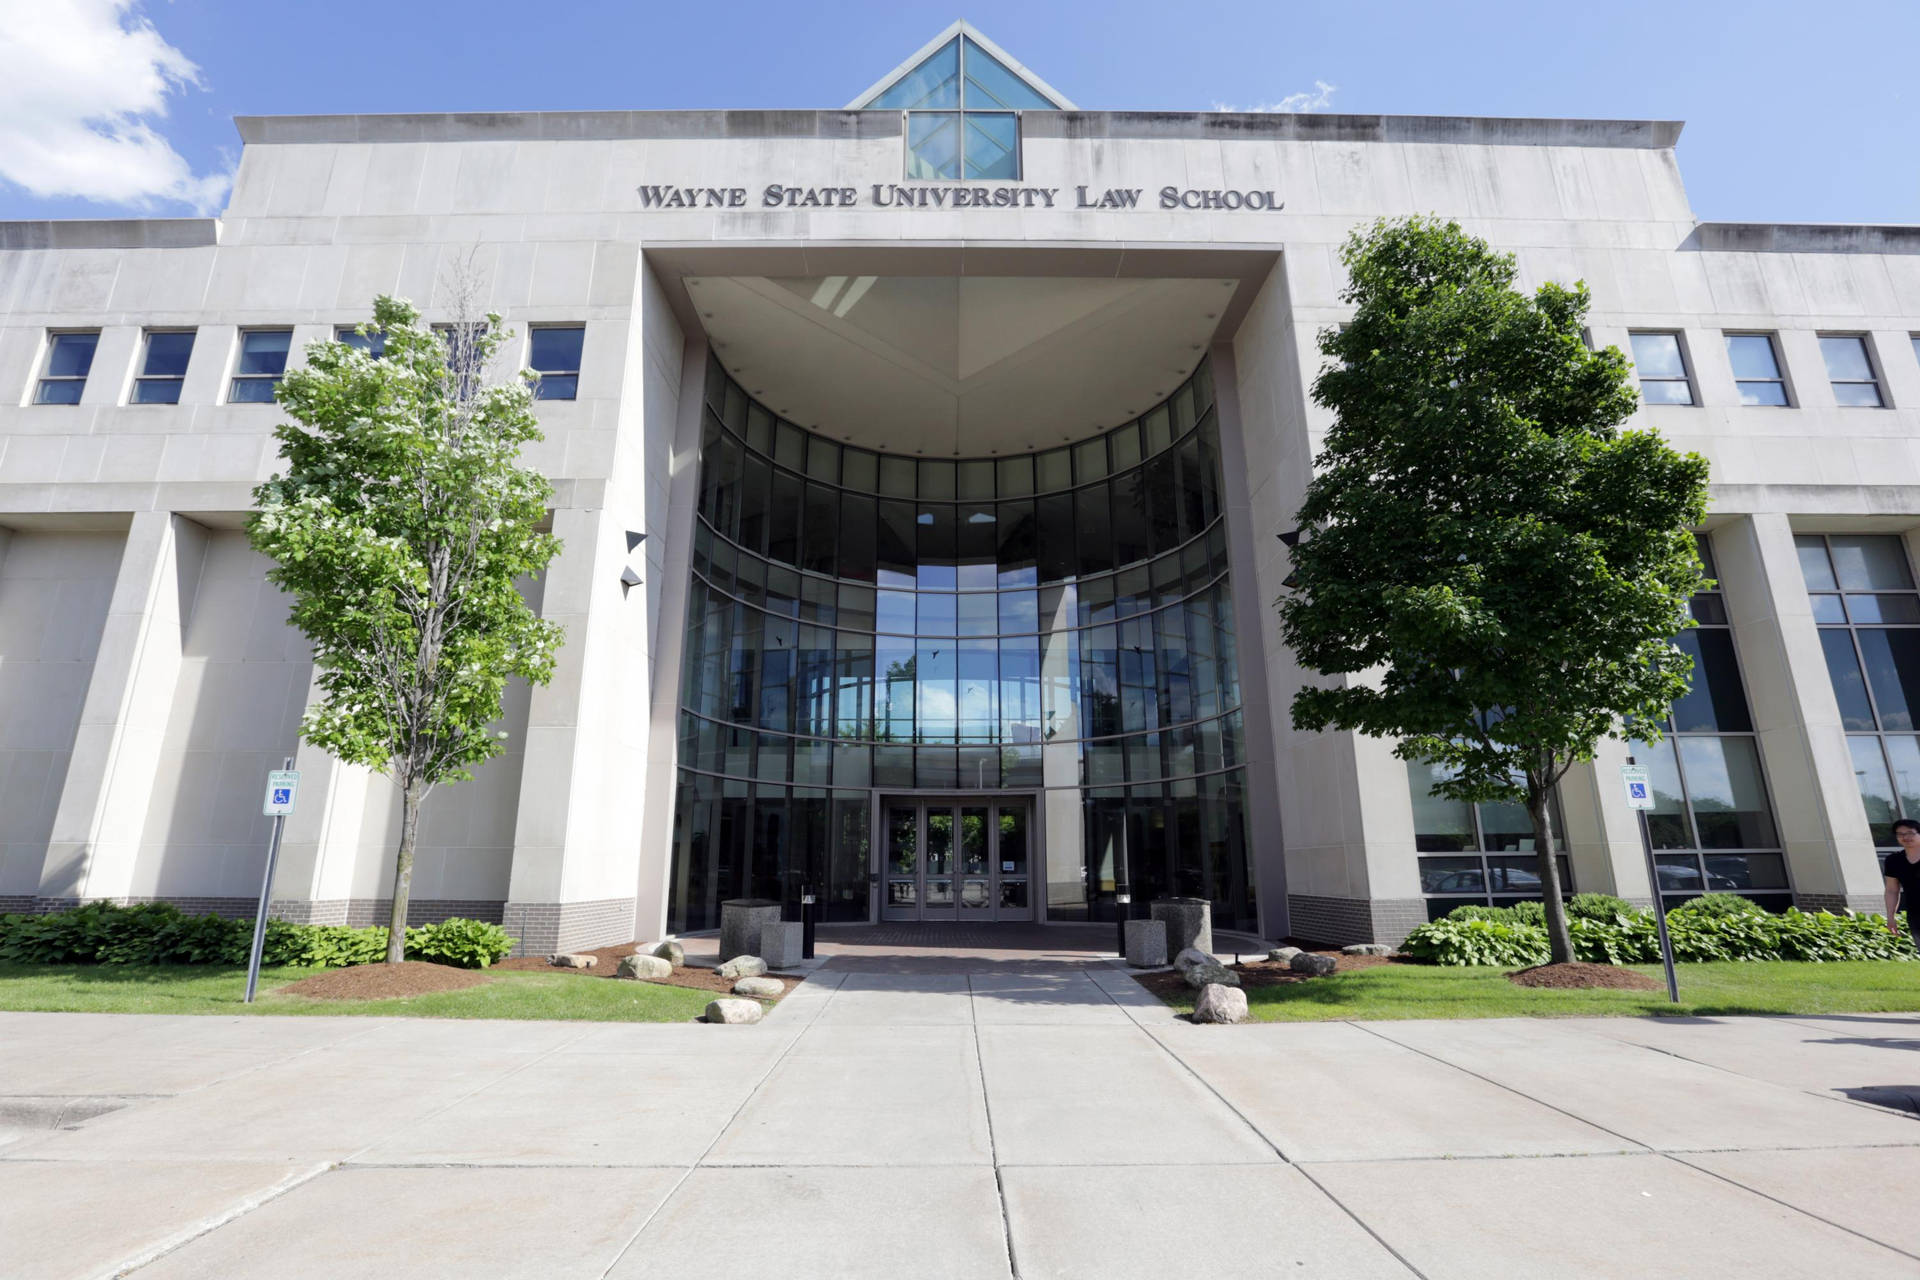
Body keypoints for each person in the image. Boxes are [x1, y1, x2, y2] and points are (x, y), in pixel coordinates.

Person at [1883, 818, 1920, 950]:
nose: (1905, 837)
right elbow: (1892, 890)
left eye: (1910, 833)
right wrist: (1890, 917)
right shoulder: (1893, 861)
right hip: (1916, 914)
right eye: (1900, 834)